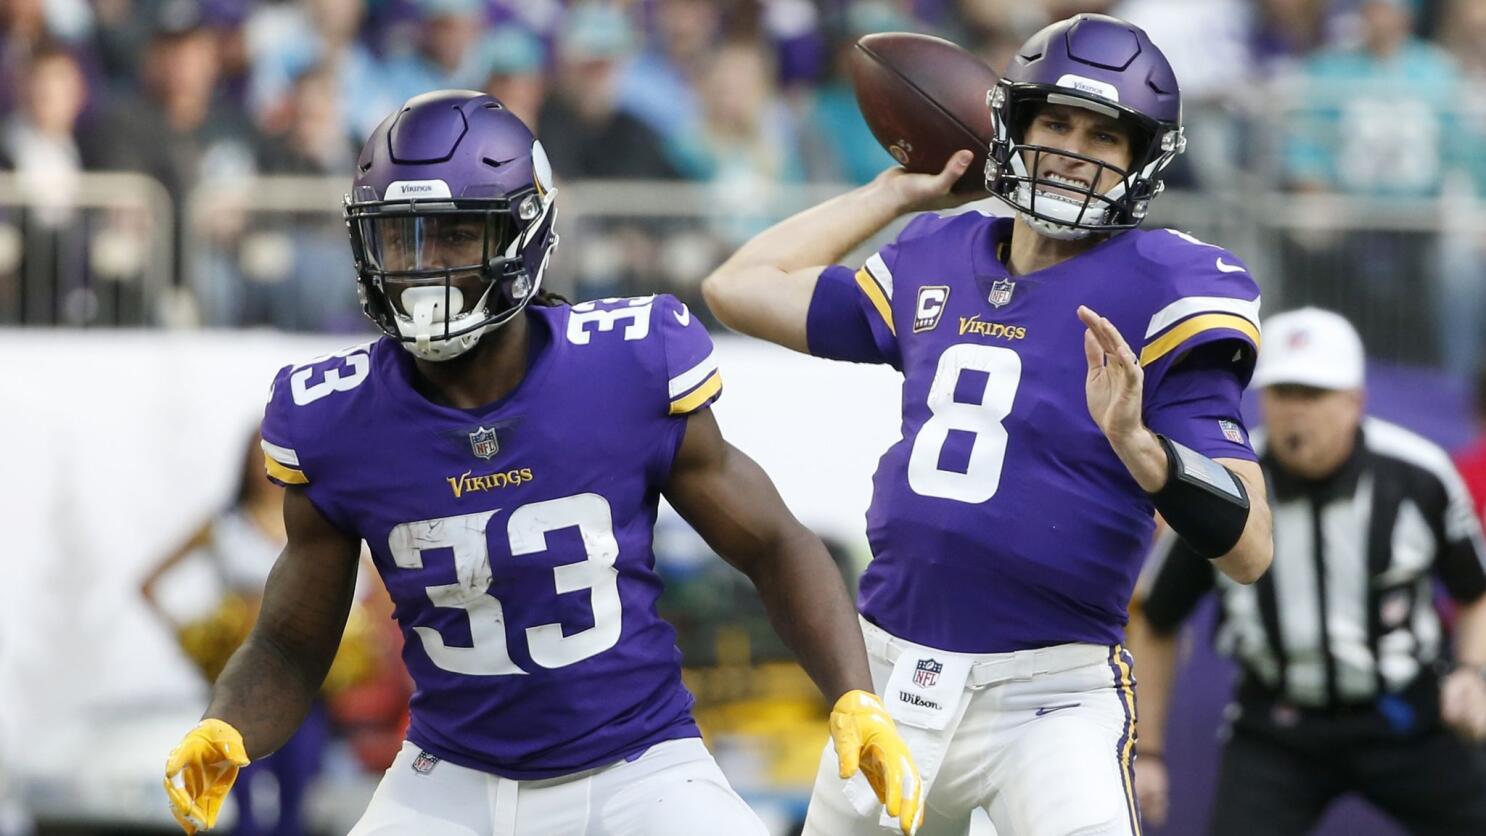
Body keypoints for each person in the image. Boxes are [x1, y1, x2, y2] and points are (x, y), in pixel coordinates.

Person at [161, 90, 923, 836]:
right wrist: (225, 726)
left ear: (524, 233)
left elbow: (774, 544)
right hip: (447, 779)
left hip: (641, 767)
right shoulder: (338, 419)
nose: (423, 266)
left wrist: (853, 696)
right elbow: (291, 641)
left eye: (454, 235)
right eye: (402, 237)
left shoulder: (623, 368)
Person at [702, 13, 1274, 836]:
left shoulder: (1168, 284)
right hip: (889, 673)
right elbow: (739, 285)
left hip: (1049, 698)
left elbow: (1251, 548)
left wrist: (1142, 449)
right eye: (1057, 122)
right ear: (1013, 127)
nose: (1075, 150)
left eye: (1105, 135)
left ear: (1140, 158)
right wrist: (891, 192)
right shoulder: (937, 251)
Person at [1127, 307, 1486, 835]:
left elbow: (1475, 590)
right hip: (1277, 725)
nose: (1296, 412)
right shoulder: (1225, 487)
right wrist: (1150, 750)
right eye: (1283, 393)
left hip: (1403, 714)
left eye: (1314, 394)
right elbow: (1156, 616)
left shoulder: (1419, 474)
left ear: (1354, 401)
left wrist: (1472, 673)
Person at [141, 431, 332, 836]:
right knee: (240, 798)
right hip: (244, 680)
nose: (266, 468)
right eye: (258, 457)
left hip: (302, 682)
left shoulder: (312, 519)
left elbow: (371, 583)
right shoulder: (224, 525)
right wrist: (193, 639)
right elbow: (149, 583)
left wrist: (353, 637)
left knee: (297, 800)